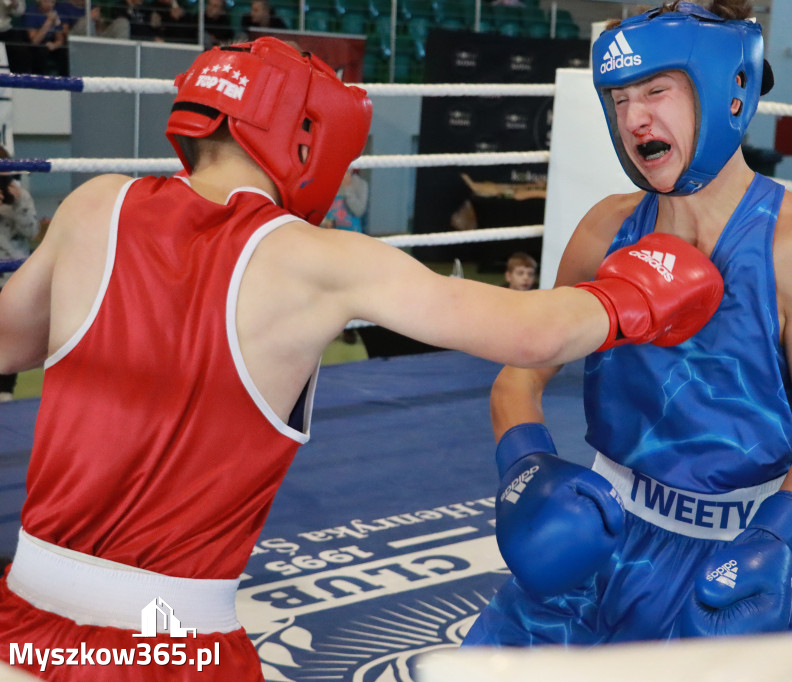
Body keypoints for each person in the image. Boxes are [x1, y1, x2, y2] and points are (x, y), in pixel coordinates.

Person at [0, 37, 724, 679]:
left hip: (23, 623)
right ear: (306, 136)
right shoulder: (315, 259)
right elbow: (528, 333)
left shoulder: (96, 206)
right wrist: (636, 294)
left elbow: (9, 341)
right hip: (171, 645)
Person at [463, 0, 792, 647]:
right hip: (594, 540)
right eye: (619, 99)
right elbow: (518, 377)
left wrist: (774, 537)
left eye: (656, 91)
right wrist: (527, 466)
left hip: (722, 562)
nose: (633, 118)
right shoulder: (604, 230)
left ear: (725, 91)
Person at [0, 147, 38, 402]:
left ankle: (5, 389)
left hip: (12, 275)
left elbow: (33, 231)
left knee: (9, 334)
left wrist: (15, 207)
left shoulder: (20, 196)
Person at [23, 0, 68, 76]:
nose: (50, 5)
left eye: (52, 2)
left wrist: (55, 45)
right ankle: (38, 80)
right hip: (36, 44)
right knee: (41, 52)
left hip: (51, 42)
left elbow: (60, 39)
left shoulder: (56, 12)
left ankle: (65, 81)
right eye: (46, 1)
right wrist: (49, 21)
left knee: (64, 52)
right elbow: (35, 41)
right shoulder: (31, 12)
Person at [320, 167, 368, 232]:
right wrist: (324, 222)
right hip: (329, 234)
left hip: (352, 234)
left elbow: (359, 212)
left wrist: (347, 188)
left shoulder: (360, 184)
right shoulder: (326, 181)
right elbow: (317, 209)